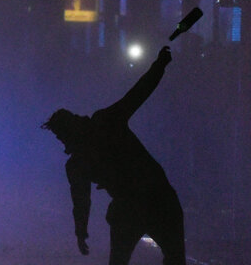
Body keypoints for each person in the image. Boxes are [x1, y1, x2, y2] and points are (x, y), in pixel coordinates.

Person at [42, 46, 186, 265]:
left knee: (120, 260)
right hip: (158, 197)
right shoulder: (105, 122)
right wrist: (159, 65)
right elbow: (138, 94)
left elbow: (81, 201)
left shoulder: (78, 163)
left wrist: (81, 232)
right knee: (174, 258)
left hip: (132, 206)